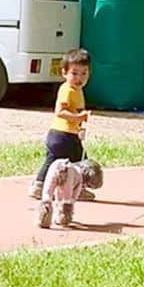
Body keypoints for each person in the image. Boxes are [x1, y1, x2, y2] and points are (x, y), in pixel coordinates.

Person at [29, 48, 92, 199]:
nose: (79, 78)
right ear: (64, 73)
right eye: (74, 73)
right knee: (54, 160)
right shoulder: (67, 90)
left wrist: (80, 121)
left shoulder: (78, 90)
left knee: (79, 160)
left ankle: (77, 187)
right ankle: (39, 184)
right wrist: (77, 117)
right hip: (60, 134)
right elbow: (60, 111)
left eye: (84, 73)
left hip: (72, 134)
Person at [37, 157, 103, 229]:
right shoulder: (79, 178)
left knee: (47, 195)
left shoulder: (72, 166)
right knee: (66, 201)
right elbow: (73, 198)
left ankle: (43, 218)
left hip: (55, 165)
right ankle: (63, 219)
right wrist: (68, 202)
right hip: (69, 175)